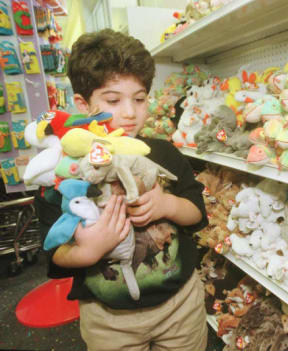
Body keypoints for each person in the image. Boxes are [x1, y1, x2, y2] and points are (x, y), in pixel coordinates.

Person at [34, 29, 209, 351]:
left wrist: (167, 204)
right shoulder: (63, 169)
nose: (130, 112)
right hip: (108, 318)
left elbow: (197, 212)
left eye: (140, 98)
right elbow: (52, 247)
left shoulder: (163, 153)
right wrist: (88, 250)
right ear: (83, 104)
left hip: (180, 307)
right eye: (113, 100)